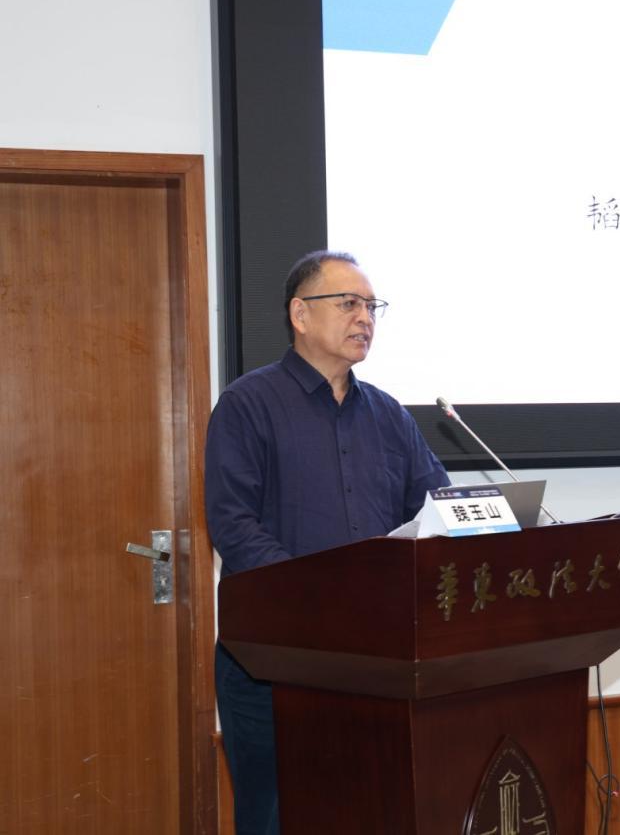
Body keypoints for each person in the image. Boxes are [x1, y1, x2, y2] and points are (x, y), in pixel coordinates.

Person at [205, 250, 450, 834]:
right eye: (348, 304)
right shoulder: (248, 404)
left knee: (368, 810)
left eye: (372, 307)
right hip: (273, 660)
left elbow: (438, 509)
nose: (365, 318)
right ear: (300, 314)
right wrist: (319, 599)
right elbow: (234, 525)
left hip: (375, 659)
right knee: (276, 816)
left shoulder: (389, 416)